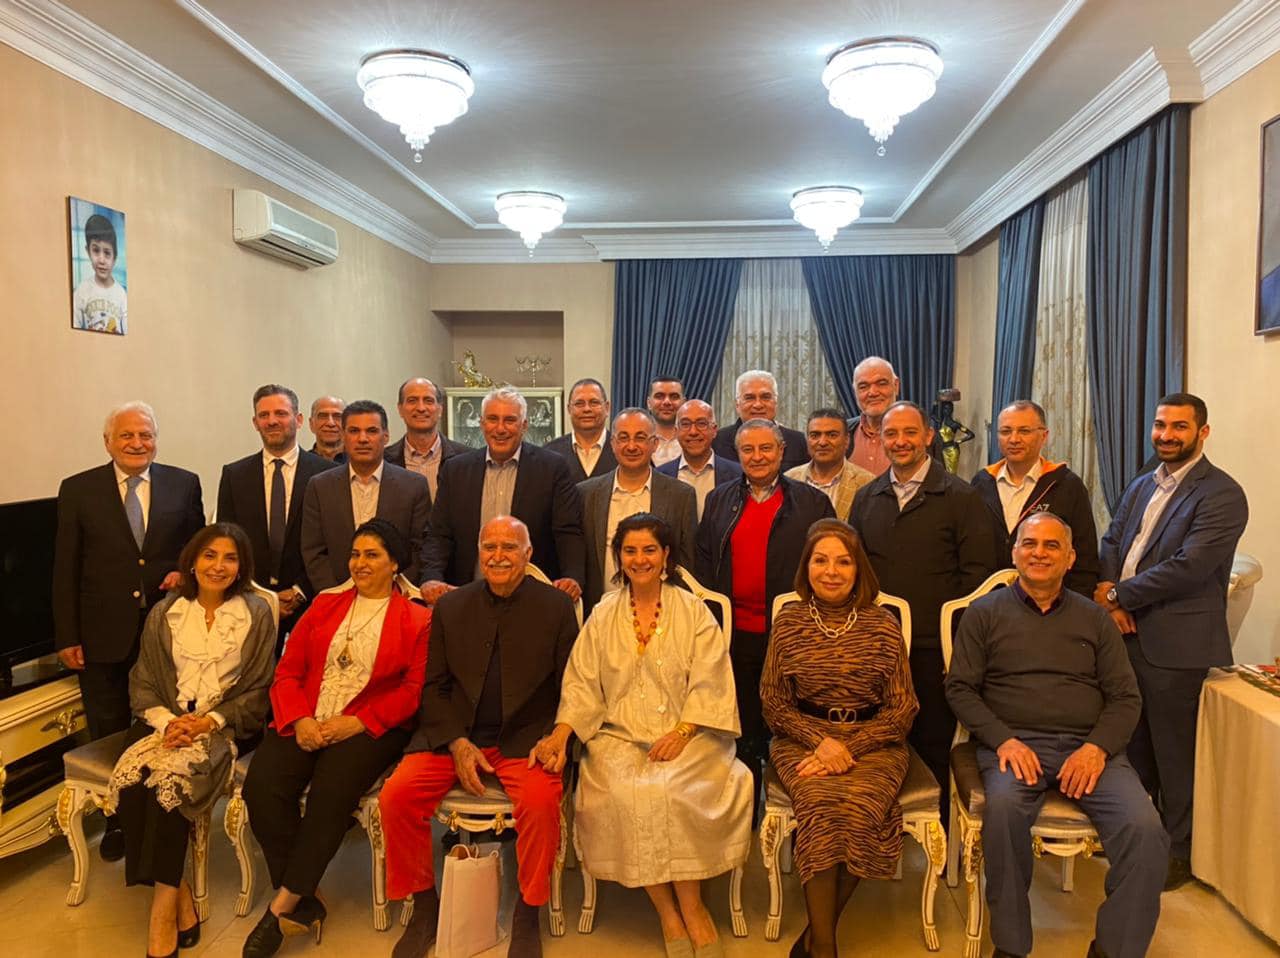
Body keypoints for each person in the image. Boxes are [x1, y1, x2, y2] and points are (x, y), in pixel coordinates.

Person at [946, 512, 1167, 958]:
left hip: (1091, 749)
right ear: (1014, 553)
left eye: (1051, 546)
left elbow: (1126, 697)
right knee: (1004, 811)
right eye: (1029, 544)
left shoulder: (1096, 619)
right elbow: (960, 689)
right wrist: (1003, 739)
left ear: (1070, 558)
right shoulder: (983, 614)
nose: (1039, 553)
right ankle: (1011, 946)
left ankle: (1114, 948)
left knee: (1145, 831)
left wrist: (1096, 748)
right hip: (1013, 746)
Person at [545, 513, 752, 958]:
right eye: (630, 550)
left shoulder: (693, 611)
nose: (640, 559)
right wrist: (561, 734)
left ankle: (694, 909)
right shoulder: (602, 614)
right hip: (618, 737)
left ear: (666, 556)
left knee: (674, 790)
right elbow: (582, 685)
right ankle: (667, 912)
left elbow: (712, 681)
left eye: (649, 550)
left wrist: (683, 731)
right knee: (629, 792)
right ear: (619, 557)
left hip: (691, 735)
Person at [381, 516, 579, 958]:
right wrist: (456, 742)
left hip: (526, 738)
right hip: (454, 735)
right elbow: (433, 686)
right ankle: (424, 906)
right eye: (490, 547)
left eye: (510, 547)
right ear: (478, 553)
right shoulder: (451, 607)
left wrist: (559, 735)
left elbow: (574, 684)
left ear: (528, 554)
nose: (498, 556)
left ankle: (528, 911)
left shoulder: (556, 608)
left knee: (541, 803)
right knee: (396, 796)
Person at [240, 519, 430, 958]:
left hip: (369, 727)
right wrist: (300, 719)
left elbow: (413, 691)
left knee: (329, 795)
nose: (360, 563)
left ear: (395, 564)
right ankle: (307, 896)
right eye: (355, 554)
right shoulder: (324, 605)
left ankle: (282, 907)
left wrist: (357, 722)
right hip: (307, 715)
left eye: (372, 555)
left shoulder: (417, 618)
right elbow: (288, 671)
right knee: (261, 788)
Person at [1096, 392, 1248, 889]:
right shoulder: (1143, 483)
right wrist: (1111, 596)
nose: (1166, 435)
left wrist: (1118, 594)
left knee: (1174, 755)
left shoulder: (1222, 494)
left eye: (1179, 427)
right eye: (1161, 425)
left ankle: (1179, 853)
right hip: (1126, 633)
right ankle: (1137, 841)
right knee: (1132, 746)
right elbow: (1113, 541)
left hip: (1177, 644)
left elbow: (1189, 567)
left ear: (1202, 432)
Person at [103, 523, 275, 958]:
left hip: (223, 724)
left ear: (242, 567)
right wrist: (168, 724)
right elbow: (143, 680)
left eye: (230, 558)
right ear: (193, 561)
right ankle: (179, 896)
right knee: (134, 785)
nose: (218, 566)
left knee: (172, 786)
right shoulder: (166, 613)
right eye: (209, 555)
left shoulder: (256, 614)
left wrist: (207, 722)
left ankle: (161, 912)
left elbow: (259, 688)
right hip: (162, 719)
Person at [53, 401, 205, 862]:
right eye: (127, 436)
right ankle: (117, 819)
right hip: (101, 634)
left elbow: (198, 547)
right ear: (108, 442)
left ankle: (161, 813)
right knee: (110, 724)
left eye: (145, 435)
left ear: (156, 440)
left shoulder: (184, 483)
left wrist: (184, 571)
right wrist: (67, 635)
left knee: (161, 724)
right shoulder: (78, 489)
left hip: (166, 631)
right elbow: (65, 566)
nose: (137, 443)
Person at [761, 519, 919, 958]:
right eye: (821, 560)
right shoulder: (789, 621)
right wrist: (820, 741)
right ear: (806, 566)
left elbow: (903, 708)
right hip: (802, 739)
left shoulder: (882, 624)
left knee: (864, 805)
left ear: (858, 568)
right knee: (819, 803)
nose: (831, 571)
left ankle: (814, 939)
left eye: (843, 562)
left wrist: (850, 746)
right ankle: (826, 946)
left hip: (874, 742)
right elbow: (773, 703)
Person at [848, 401, 1001, 811]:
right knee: (876, 743)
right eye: (891, 433)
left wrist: (961, 646)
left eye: (909, 432)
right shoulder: (865, 498)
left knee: (933, 742)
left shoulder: (962, 498)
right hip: (876, 648)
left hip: (936, 651)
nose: (900, 441)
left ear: (928, 436)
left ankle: (937, 833)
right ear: (881, 440)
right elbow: (853, 572)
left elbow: (978, 578)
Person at [696, 419, 834, 810]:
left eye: (765, 448)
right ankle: (744, 816)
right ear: (737, 454)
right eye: (748, 450)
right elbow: (704, 563)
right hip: (734, 636)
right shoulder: (719, 499)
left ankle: (790, 811)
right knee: (740, 731)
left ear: (781, 452)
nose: (757, 457)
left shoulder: (812, 503)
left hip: (792, 637)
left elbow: (827, 565)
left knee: (787, 727)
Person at [420, 386, 585, 603]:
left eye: (509, 420)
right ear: (481, 423)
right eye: (492, 419)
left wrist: (572, 577)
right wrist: (431, 577)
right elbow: (438, 534)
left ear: (524, 425)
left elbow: (567, 532)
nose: (500, 428)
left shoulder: (553, 468)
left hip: (532, 598)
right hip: (467, 596)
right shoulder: (455, 470)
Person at [217, 384, 339, 639]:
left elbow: (332, 543)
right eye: (264, 415)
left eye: (281, 413)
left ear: (299, 419)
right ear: (255, 422)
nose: (272, 421)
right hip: (249, 604)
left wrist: (299, 591)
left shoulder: (327, 475)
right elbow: (228, 543)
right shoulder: (234, 475)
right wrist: (260, 595)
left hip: (311, 603)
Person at [300, 400, 432, 591]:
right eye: (354, 431)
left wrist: (394, 590)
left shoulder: (413, 486)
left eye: (371, 431)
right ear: (343, 436)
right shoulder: (319, 486)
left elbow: (420, 548)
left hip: (395, 595)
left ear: (385, 436)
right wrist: (337, 594)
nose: (362, 439)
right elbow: (313, 550)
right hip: (336, 596)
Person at [972, 400, 1098, 596]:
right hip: (988, 601)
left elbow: (1085, 559)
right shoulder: (981, 483)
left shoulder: (1066, 485)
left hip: (1050, 602)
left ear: (1044, 436)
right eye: (1005, 431)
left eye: (1024, 431)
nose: (1014, 439)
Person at [578, 408, 698, 612]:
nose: (631, 446)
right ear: (612, 444)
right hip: (601, 612)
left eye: (640, 438)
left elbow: (687, 565)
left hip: (664, 613)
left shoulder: (681, 496)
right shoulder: (586, 494)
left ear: (655, 444)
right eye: (623, 438)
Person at [844, 357, 942, 474]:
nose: (873, 393)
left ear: (896, 386)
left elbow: (939, 481)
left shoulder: (924, 435)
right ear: (855, 392)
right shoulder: (842, 433)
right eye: (863, 386)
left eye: (881, 384)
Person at [656, 399, 744, 520]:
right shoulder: (659, 476)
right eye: (685, 424)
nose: (693, 432)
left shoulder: (738, 474)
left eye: (701, 423)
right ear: (676, 432)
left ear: (714, 430)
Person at [384, 378, 469, 500]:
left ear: (440, 409)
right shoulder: (384, 460)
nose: (421, 408)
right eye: (412, 401)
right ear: (400, 409)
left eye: (428, 401)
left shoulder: (467, 459)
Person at [784, 408, 875, 522]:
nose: (822, 442)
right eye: (815, 435)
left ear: (847, 440)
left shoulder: (867, 483)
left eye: (832, 435)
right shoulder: (788, 480)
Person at [710, 370, 809, 471]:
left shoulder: (798, 441)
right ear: (737, 405)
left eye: (765, 397)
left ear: (776, 402)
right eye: (749, 398)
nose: (758, 405)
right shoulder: (717, 442)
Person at [544, 378, 618, 483]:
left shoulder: (622, 450)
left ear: (607, 408)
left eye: (594, 402)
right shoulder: (550, 453)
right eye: (579, 404)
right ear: (569, 409)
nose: (587, 409)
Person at [72, 212, 128, 334]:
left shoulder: (121, 294)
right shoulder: (81, 291)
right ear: (88, 251)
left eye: (107, 253)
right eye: (96, 250)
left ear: (114, 257)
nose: (101, 260)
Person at [647, 376, 686, 466]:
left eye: (674, 397)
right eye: (659, 396)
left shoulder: (696, 440)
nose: (667, 402)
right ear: (649, 403)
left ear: (683, 403)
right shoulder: (637, 441)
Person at [307, 396, 346, 463]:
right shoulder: (301, 463)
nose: (330, 423)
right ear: (311, 424)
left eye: (337, 416)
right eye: (323, 416)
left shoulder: (359, 462)